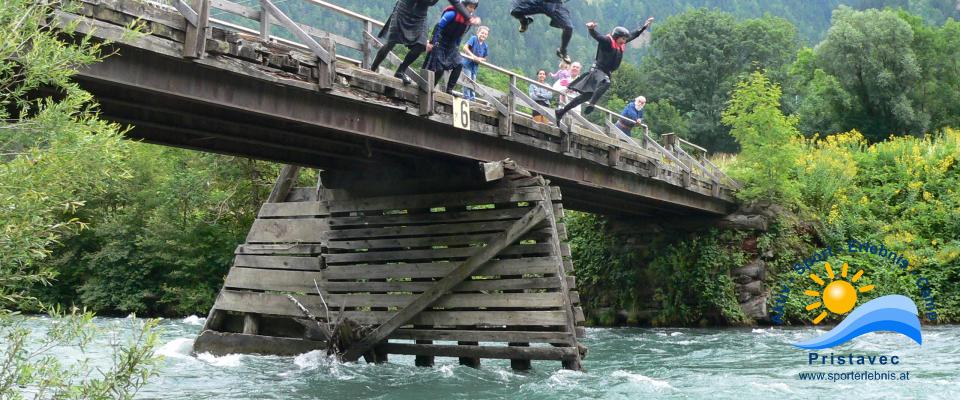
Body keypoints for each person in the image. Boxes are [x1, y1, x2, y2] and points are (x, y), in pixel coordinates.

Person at [555, 18, 653, 125]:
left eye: (625, 39)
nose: (624, 41)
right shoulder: (607, 41)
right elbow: (597, 36)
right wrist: (591, 29)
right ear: (616, 37)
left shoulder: (621, 43)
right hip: (597, 70)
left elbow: (634, 35)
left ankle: (561, 111)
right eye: (623, 38)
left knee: (584, 97)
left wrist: (644, 27)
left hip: (606, 72)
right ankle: (592, 104)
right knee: (606, 82)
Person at [369, 0, 480, 85]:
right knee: (391, 42)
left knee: (421, 45)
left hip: (421, 13)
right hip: (405, 8)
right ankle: (372, 69)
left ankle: (400, 71)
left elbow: (456, 2)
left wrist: (469, 18)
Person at [424, 0, 480, 95]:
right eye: (470, 7)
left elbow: (460, 35)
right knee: (439, 68)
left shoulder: (468, 22)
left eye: (474, 8)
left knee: (459, 64)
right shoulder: (452, 14)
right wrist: (433, 42)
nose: (472, 10)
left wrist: (456, 47)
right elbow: (438, 27)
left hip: (452, 45)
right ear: (464, 6)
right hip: (440, 42)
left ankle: (449, 89)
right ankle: (430, 88)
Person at [510, 0, 575, 63]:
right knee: (515, 11)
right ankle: (524, 21)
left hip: (554, 4)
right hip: (539, 1)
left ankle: (562, 50)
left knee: (568, 28)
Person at [461, 26, 489, 100]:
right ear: (478, 33)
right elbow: (465, 48)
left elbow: (485, 58)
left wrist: (479, 59)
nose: (483, 35)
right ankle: (466, 97)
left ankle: (472, 98)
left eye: (485, 34)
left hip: (475, 67)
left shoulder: (485, 46)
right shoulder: (473, 38)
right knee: (468, 80)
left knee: (473, 81)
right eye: (482, 33)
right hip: (467, 63)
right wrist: (473, 56)